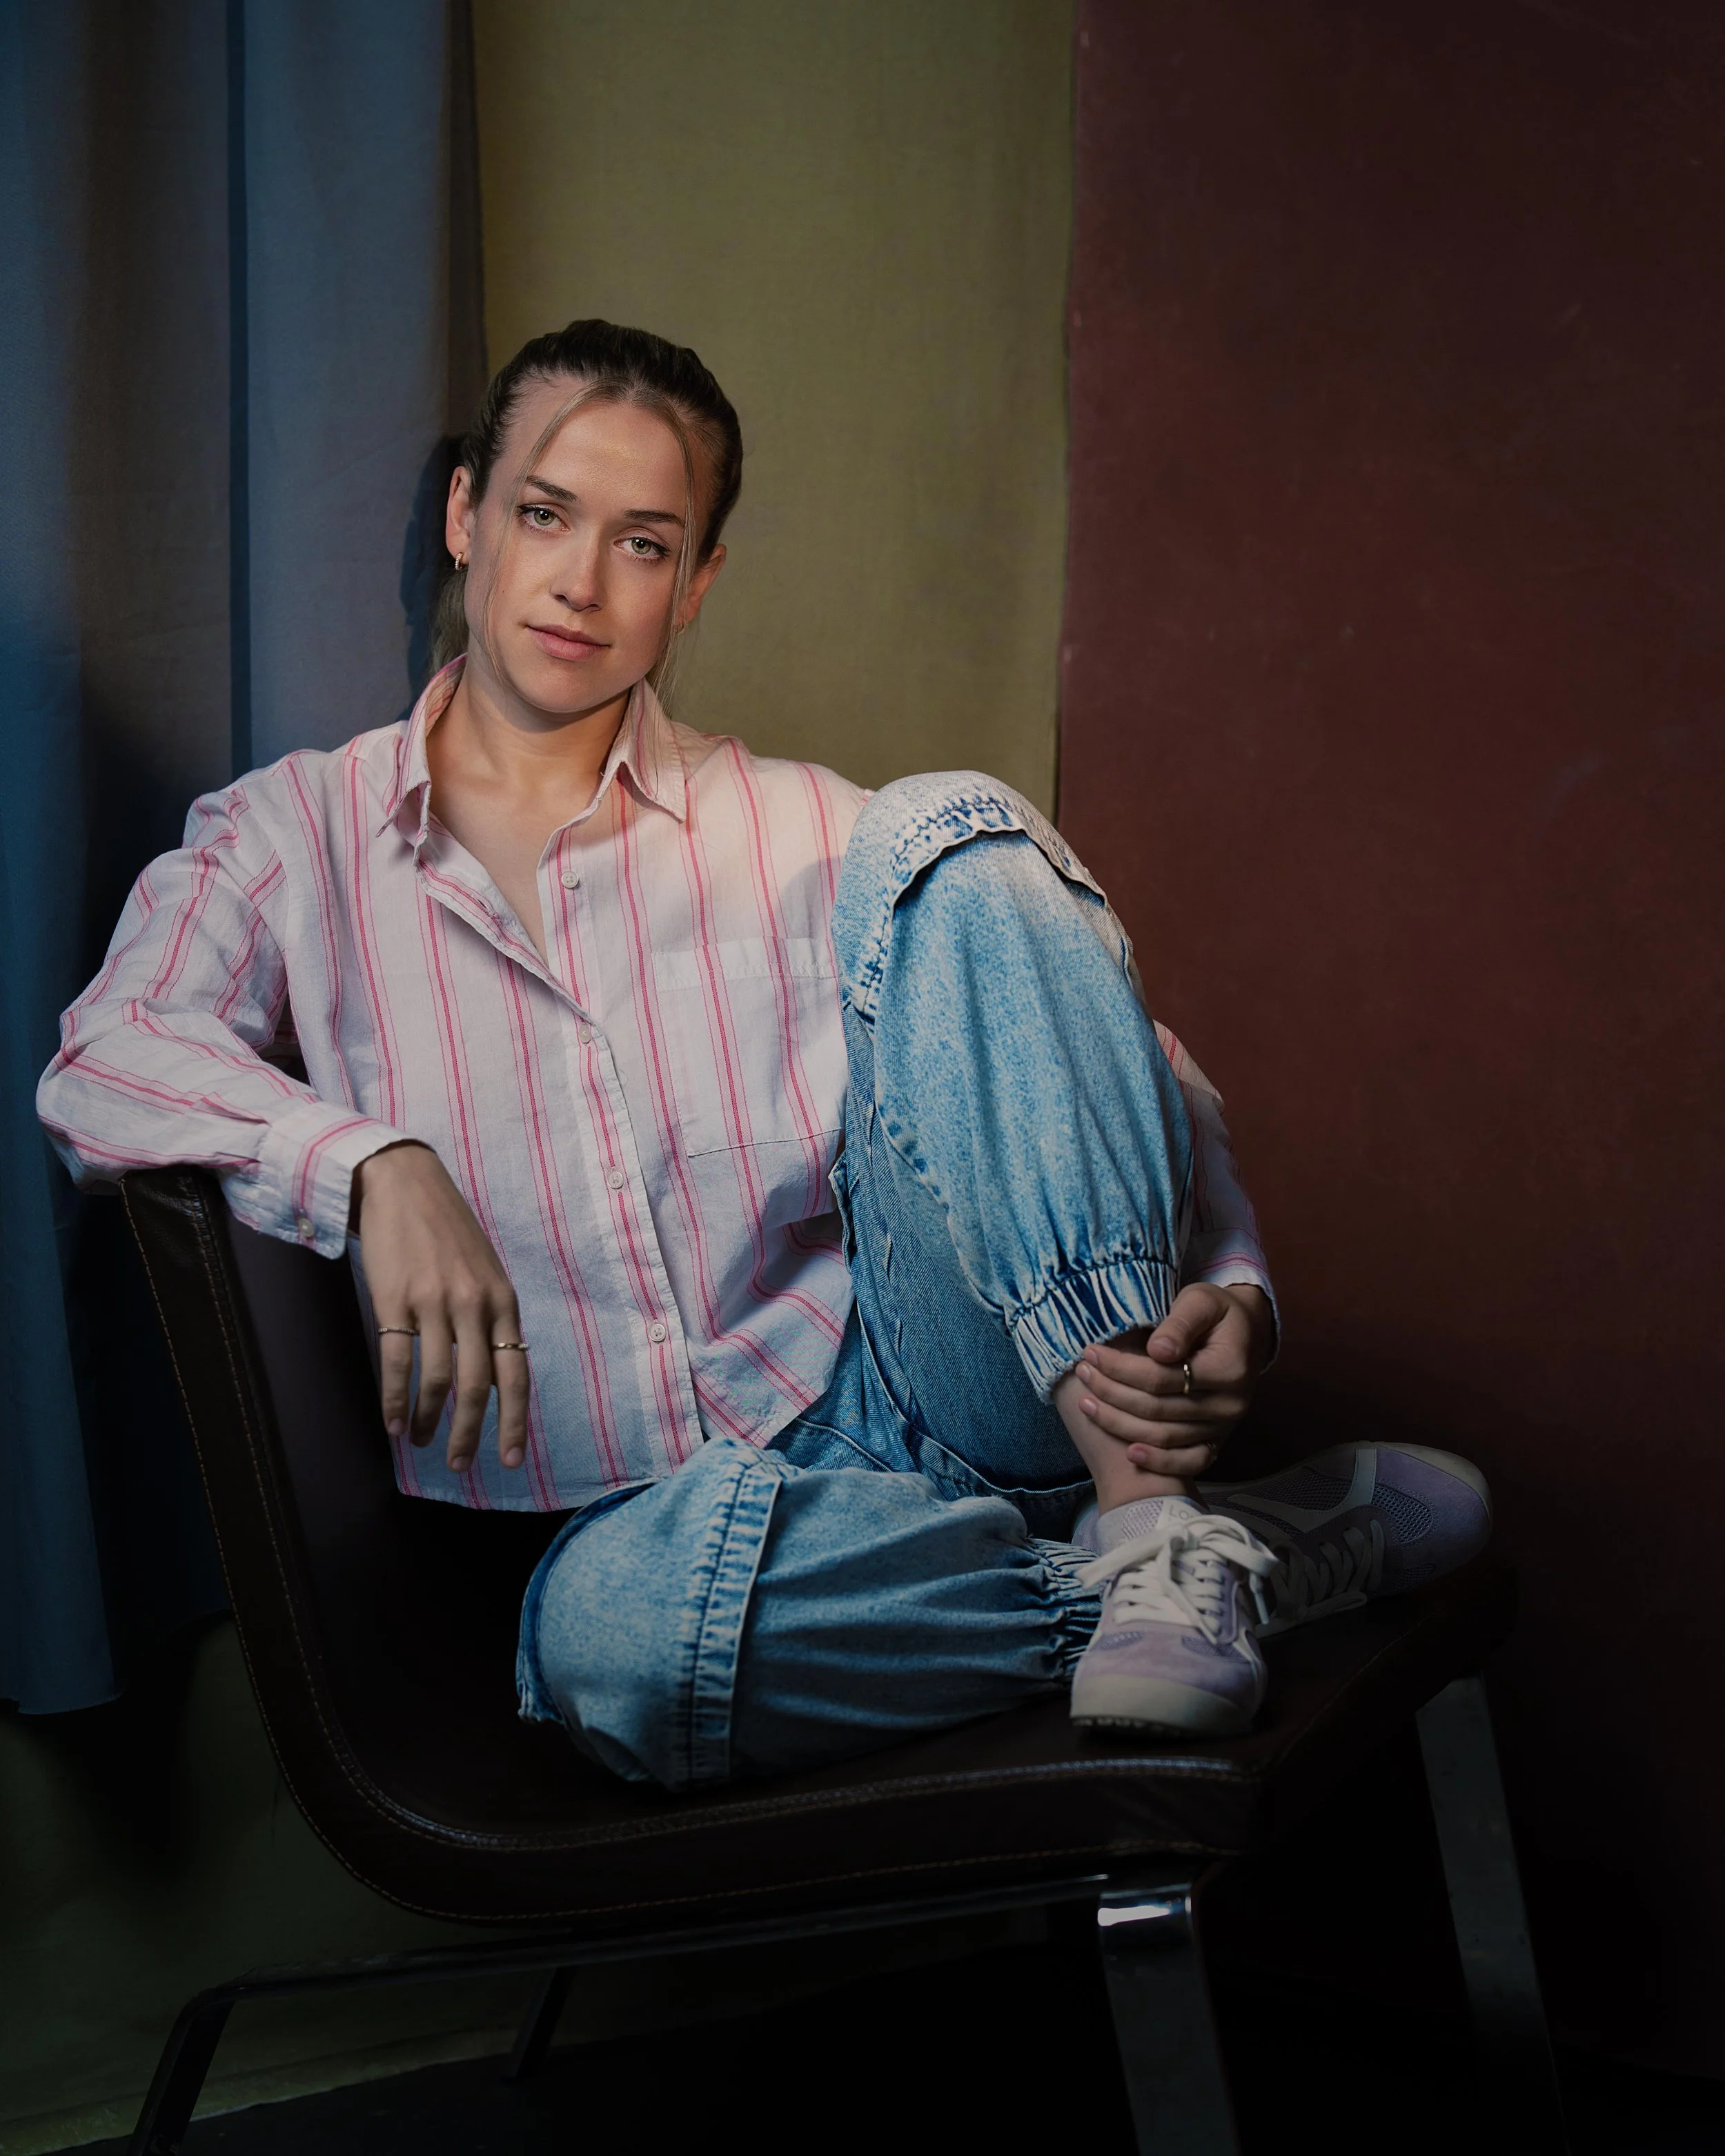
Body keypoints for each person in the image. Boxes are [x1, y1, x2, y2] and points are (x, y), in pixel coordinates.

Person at [37, 321, 1490, 1790]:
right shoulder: (291, 837)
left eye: (645, 542)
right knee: (617, 1649)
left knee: (954, 830)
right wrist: (368, 1161)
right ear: (470, 514)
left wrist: (1226, 1279)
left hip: (935, 1395)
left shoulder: (798, 827)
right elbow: (109, 1054)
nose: (581, 581)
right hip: (645, 1534)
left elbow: (1114, 1049)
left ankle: (1145, 1508)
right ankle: (1205, 1564)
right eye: (545, 513)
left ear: (697, 583)